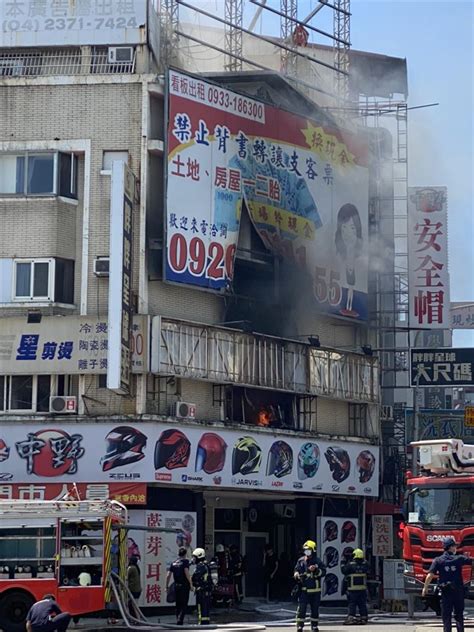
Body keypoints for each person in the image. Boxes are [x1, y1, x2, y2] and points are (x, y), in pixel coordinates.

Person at [422, 536, 473, 632]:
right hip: (458, 592)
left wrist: (425, 588)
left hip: (446, 593)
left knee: (446, 618)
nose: (456, 548)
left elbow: (430, 575)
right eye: (454, 546)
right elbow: (471, 561)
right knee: (459, 617)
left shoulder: (438, 560)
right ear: (451, 547)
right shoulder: (459, 559)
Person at [294, 540, 326, 632]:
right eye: (305, 550)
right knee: (301, 609)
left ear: (313, 550)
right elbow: (296, 569)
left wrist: (316, 570)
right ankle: (300, 626)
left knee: (315, 609)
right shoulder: (300, 561)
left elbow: (323, 572)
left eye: (309, 550)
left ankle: (314, 626)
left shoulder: (317, 561)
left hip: (315, 591)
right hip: (303, 590)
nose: (307, 552)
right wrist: (296, 574)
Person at [341, 548, 369, 625]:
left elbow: (343, 570)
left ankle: (351, 617)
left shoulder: (350, 565)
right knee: (362, 604)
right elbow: (368, 570)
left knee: (352, 604)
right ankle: (364, 617)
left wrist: (343, 562)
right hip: (362, 589)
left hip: (352, 589)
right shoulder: (365, 564)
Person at [166, 546, 193, 625]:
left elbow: (168, 575)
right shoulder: (185, 562)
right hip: (184, 586)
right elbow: (186, 572)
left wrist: (166, 586)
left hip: (176, 586)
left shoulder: (174, 563)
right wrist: (191, 584)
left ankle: (178, 618)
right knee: (184, 604)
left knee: (178, 604)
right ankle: (180, 620)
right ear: (185, 554)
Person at [192, 547, 213, 625]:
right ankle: (206, 623)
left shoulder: (200, 566)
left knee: (201, 609)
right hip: (206, 591)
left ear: (199, 556)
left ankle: (201, 624)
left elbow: (195, 577)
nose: (193, 559)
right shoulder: (206, 565)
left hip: (202, 591)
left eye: (194, 557)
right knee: (206, 610)